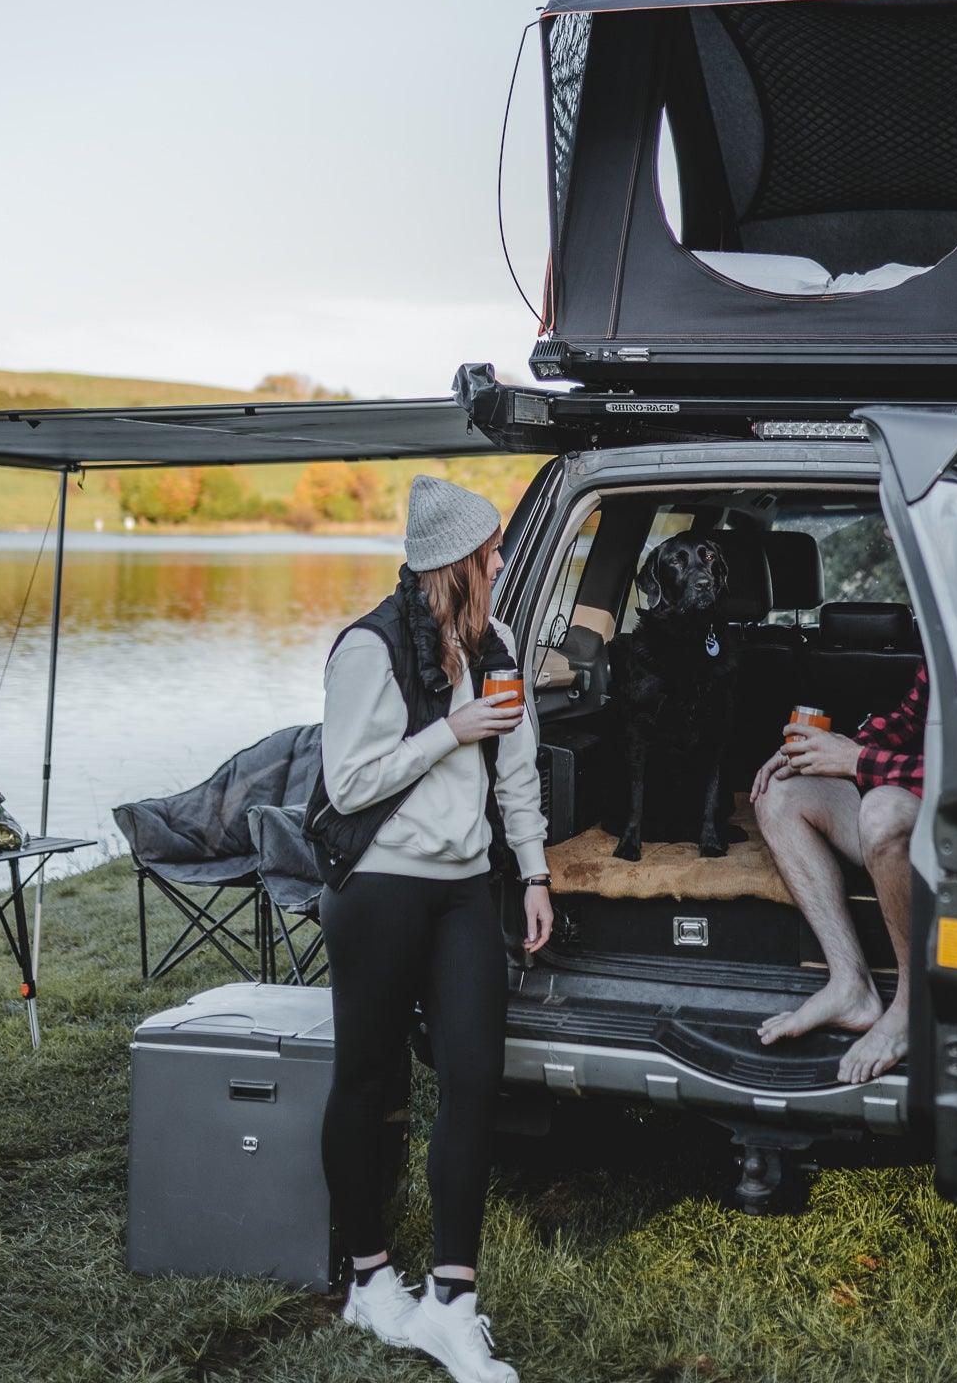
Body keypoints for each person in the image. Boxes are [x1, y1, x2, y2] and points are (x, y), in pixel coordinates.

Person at [318, 474, 552, 1383]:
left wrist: (532, 870)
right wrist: (450, 730)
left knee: (472, 1077)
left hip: (464, 890)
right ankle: (369, 1278)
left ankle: (453, 1301)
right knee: (367, 1077)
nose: (502, 561)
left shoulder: (498, 645)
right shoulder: (367, 651)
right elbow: (348, 784)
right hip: (377, 888)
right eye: (492, 551)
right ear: (458, 564)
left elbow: (518, 771)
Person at [750, 663, 928, 1083]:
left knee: (882, 809)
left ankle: (912, 1008)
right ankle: (851, 986)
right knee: (780, 790)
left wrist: (857, 760)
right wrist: (827, 750)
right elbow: (907, 721)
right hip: (910, 810)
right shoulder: (946, 637)